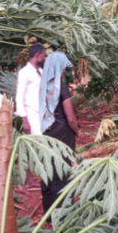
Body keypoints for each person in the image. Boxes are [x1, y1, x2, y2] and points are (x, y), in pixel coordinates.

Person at [38, 51, 79, 214]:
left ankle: (48, 212)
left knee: (49, 167)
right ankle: (62, 212)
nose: (64, 72)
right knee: (63, 169)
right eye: (63, 69)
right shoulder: (62, 89)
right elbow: (70, 118)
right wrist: (76, 130)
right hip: (63, 132)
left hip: (47, 132)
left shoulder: (42, 88)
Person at [15, 43, 47, 135]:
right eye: (44, 55)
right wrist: (25, 121)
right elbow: (19, 97)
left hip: (42, 114)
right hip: (31, 114)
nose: (45, 58)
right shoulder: (25, 72)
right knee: (38, 141)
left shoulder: (41, 71)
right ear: (37, 56)